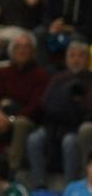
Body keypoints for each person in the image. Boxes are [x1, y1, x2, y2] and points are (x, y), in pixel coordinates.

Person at [0, 32, 49, 173]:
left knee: (21, 123)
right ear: (12, 51)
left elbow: (36, 105)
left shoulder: (41, 75)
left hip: (26, 118)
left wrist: (11, 119)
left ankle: (13, 170)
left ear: (33, 52)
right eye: (18, 47)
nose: (22, 51)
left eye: (26, 47)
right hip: (3, 115)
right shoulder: (3, 72)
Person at [26, 39, 92, 188]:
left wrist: (66, 104)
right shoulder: (57, 78)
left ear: (87, 59)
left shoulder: (90, 80)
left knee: (69, 142)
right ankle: (39, 185)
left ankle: (70, 186)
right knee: (34, 139)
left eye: (80, 56)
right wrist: (71, 101)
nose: (76, 60)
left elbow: (87, 108)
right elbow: (46, 103)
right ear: (66, 59)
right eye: (72, 55)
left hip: (77, 127)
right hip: (54, 125)